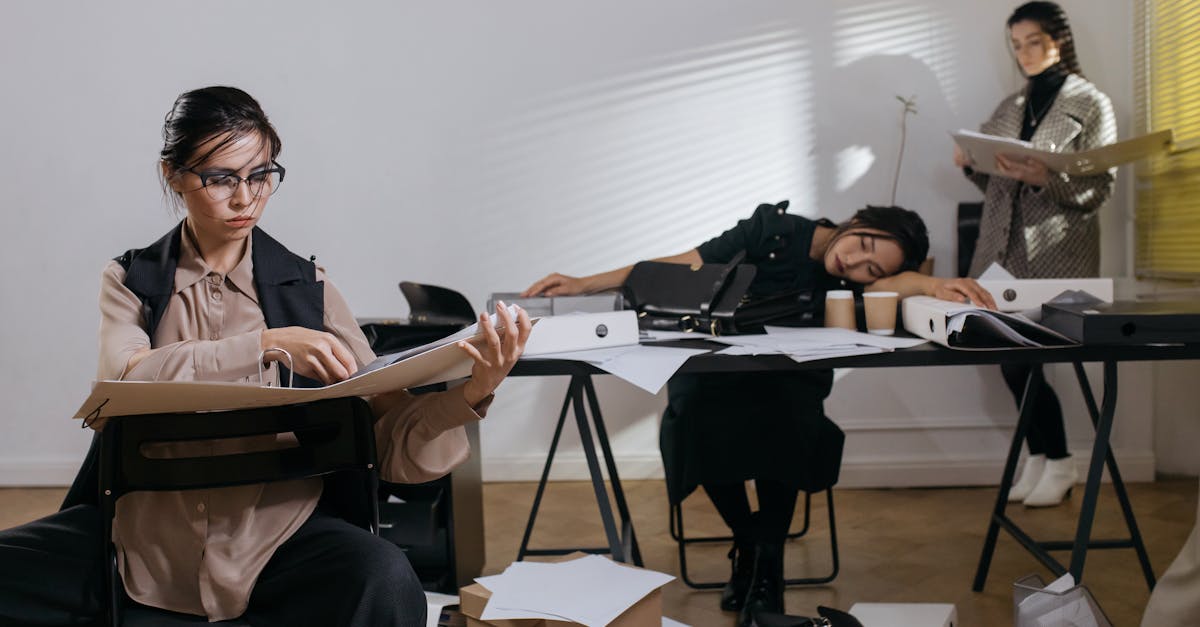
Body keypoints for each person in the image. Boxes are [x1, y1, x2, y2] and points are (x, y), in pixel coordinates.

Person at [0, 86, 532, 627]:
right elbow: (124, 378)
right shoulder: (131, 280)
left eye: (260, 176)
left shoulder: (309, 289)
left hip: (275, 543)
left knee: (386, 578)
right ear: (173, 175)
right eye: (221, 178)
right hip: (140, 543)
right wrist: (262, 346)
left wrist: (472, 392)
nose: (245, 199)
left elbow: (389, 442)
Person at [523, 201, 989, 626]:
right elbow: (683, 263)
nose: (853, 263)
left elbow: (895, 284)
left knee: (788, 418)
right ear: (858, 220)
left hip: (791, 377)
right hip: (717, 368)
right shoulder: (772, 228)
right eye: (863, 244)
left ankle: (766, 566)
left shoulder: (854, 279)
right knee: (693, 417)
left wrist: (933, 284)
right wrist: (585, 283)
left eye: (871, 268)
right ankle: (751, 541)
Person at [954, 1, 1117, 508]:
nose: (1024, 53)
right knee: (1007, 357)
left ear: (1059, 41)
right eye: (1016, 45)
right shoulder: (1010, 106)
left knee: (1027, 356)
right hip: (1000, 250)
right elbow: (995, 186)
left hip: (1056, 252)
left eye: (1033, 42)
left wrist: (1048, 177)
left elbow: (1100, 188)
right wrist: (971, 164)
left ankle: (1060, 459)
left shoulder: (1092, 104)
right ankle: (1043, 455)